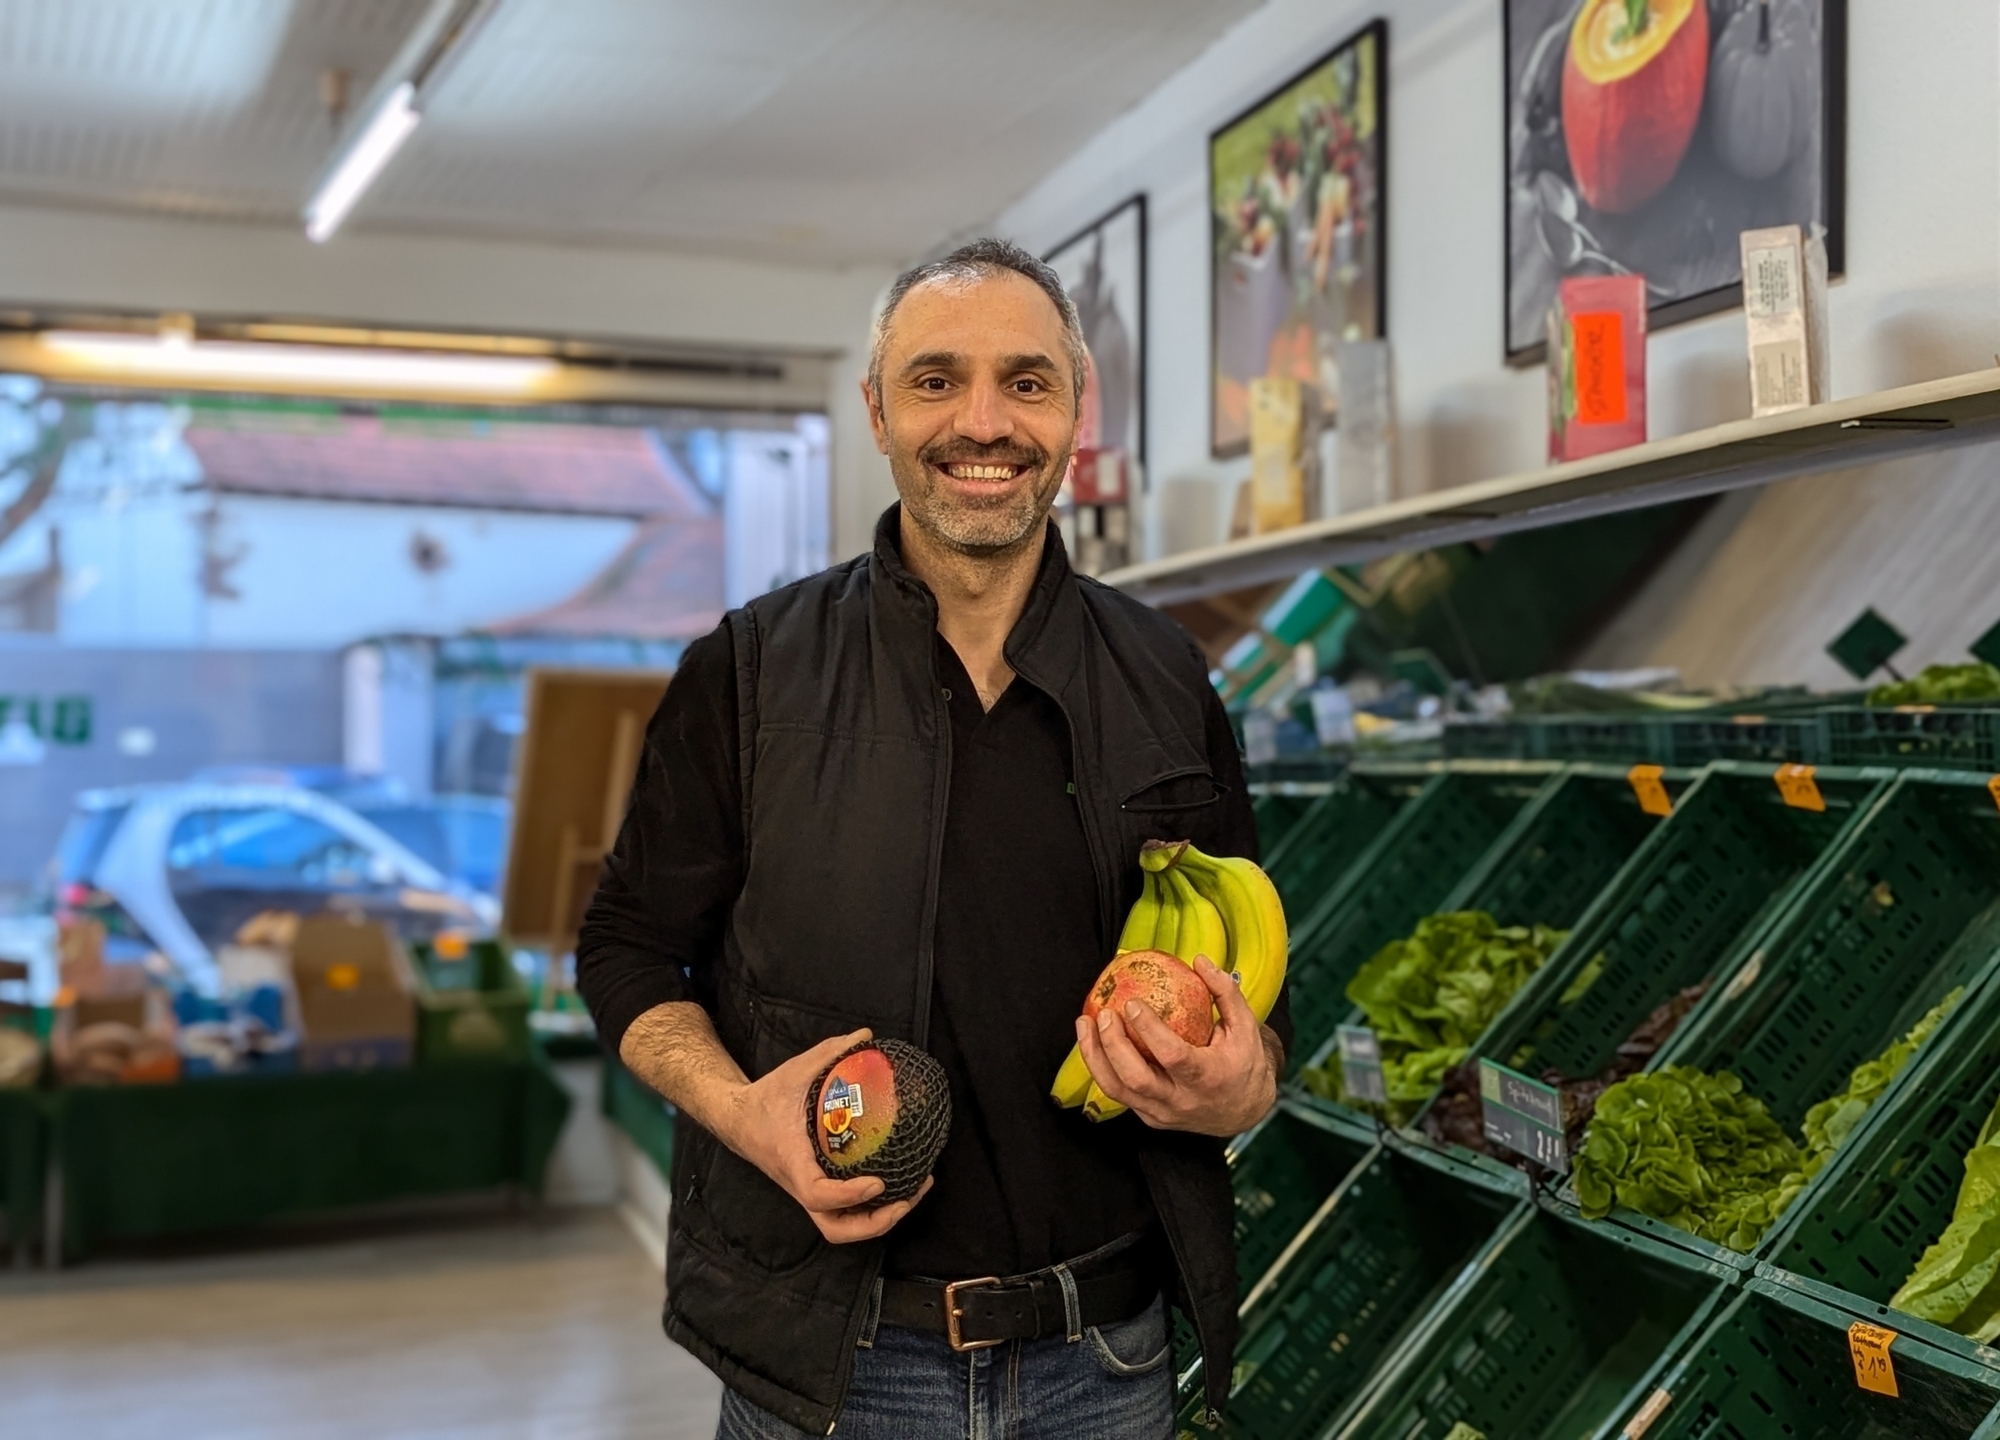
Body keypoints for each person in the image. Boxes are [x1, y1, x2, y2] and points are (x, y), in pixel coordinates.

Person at [576, 238, 1288, 1440]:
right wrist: (742, 1112)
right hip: (834, 1367)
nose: (982, 423)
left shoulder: (1165, 678)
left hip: (1105, 1364)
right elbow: (625, 949)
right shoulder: (750, 673)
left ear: (1075, 412)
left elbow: (1262, 1010)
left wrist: (1241, 1085)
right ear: (876, 411)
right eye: (935, 380)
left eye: (1025, 382)